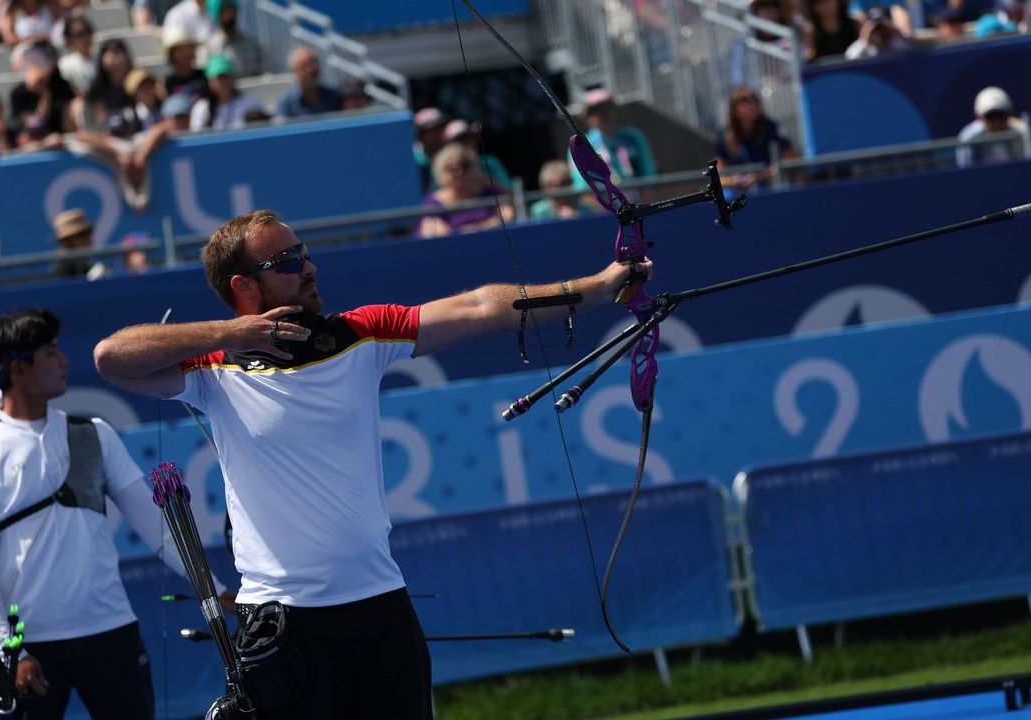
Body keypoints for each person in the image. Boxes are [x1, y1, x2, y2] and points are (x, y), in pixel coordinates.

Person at [91, 208, 651, 719]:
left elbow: (480, 307)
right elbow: (110, 357)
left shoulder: (360, 333)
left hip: (380, 608)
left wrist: (597, 287)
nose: (308, 267)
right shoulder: (213, 369)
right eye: (287, 262)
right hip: (285, 627)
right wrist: (231, 333)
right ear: (244, 285)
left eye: (304, 251)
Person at [0, 308, 235, 720]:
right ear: (18, 368)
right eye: (50, 353)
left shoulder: (94, 433)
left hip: (111, 633)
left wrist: (215, 588)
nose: (64, 361)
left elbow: (158, 529)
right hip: (31, 647)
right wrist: (13, 651)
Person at [568, 89, 657, 192]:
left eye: (607, 107)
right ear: (586, 116)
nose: (603, 113)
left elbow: (649, 175)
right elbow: (583, 188)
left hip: (639, 202)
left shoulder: (634, 137)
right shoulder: (579, 146)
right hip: (605, 205)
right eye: (595, 109)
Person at [417, 143, 514, 237]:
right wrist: (486, 226)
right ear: (441, 173)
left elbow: (509, 212)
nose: (459, 171)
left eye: (465, 166)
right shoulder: (433, 202)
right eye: (451, 168)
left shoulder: (487, 193)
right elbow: (441, 233)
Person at [713, 85, 798, 192]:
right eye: (744, 101)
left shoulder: (770, 127)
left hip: (770, 189)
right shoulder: (724, 135)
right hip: (739, 194)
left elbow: (790, 159)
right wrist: (734, 181)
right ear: (734, 109)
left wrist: (762, 175)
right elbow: (720, 176)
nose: (752, 105)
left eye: (754, 99)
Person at [956, 85, 1030, 168]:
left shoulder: (1022, 131)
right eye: (990, 117)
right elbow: (966, 171)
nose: (997, 122)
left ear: (1010, 114)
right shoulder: (969, 138)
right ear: (979, 117)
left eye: (1001, 115)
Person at [189, 53, 264, 130]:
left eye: (226, 77)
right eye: (219, 78)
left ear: (233, 78)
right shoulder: (201, 108)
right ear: (210, 82)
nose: (223, 82)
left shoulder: (251, 101)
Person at [274, 46, 340, 119]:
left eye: (315, 62)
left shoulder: (334, 96)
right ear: (295, 71)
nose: (313, 68)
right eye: (305, 65)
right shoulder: (286, 103)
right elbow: (281, 128)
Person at [202, 0, 261, 78]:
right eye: (223, 11)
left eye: (230, 10)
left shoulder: (252, 44)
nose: (228, 15)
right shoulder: (209, 48)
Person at [529, 158, 598, 220]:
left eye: (563, 183)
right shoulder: (538, 212)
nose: (558, 189)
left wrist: (577, 217)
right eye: (551, 185)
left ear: (570, 182)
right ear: (544, 187)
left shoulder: (586, 208)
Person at [411, 106, 448, 192]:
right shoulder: (415, 161)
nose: (437, 134)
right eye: (432, 131)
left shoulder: (451, 155)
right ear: (420, 135)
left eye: (440, 128)